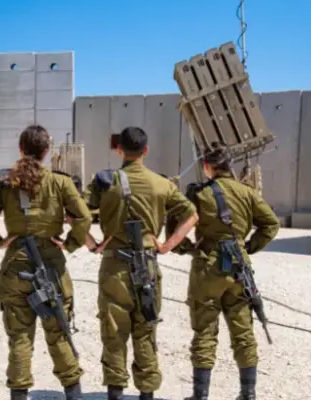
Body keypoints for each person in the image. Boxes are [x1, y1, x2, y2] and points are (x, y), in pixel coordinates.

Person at [0, 124, 92, 400]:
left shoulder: (4, 182)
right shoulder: (61, 182)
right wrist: (70, 243)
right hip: (51, 267)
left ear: (20, 149)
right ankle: (73, 393)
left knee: (20, 339)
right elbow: (84, 217)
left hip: (16, 266)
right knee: (59, 334)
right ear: (47, 151)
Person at [83, 126, 199, 400]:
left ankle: (115, 392)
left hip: (114, 266)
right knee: (145, 329)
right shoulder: (161, 184)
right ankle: (147, 393)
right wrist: (168, 245)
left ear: (119, 150)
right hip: (147, 265)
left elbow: (75, 214)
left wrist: (92, 244)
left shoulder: (104, 181)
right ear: (146, 150)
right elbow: (192, 214)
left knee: (114, 331)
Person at [173, 142, 280, 400]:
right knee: (243, 332)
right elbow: (271, 224)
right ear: (228, 165)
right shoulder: (247, 193)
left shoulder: (199, 194)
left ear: (207, 166)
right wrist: (248, 247)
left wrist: (187, 249)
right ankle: (248, 393)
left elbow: (176, 226)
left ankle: (200, 395)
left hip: (208, 267)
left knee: (205, 331)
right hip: (239, 268)